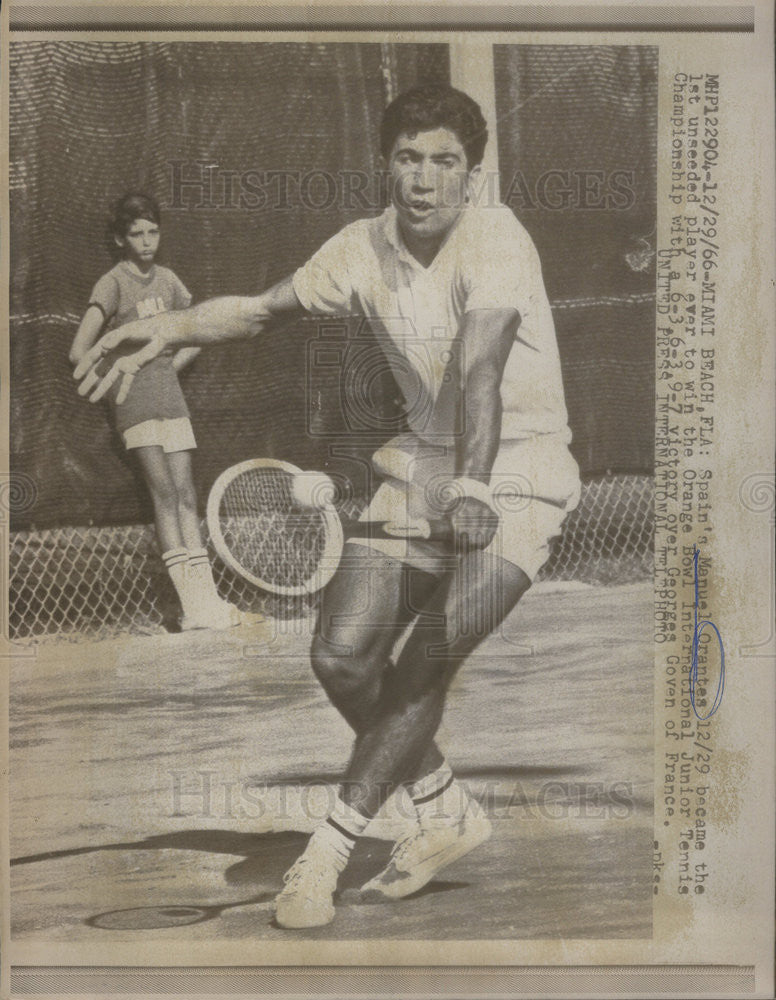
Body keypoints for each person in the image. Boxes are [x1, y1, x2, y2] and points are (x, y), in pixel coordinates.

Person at [74, 86, 581, 928]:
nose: (423, 179)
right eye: (408, 158)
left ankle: (328, 851)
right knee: (343, 655)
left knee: (430, 651)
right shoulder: (357, 250)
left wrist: (476, 489)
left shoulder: (497, 236)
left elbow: (482, 371)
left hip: (519, 472)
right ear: (386, 164)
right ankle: (444, 805)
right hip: (422, 464)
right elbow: (262, 311)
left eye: (444, 161)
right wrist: (171, 330)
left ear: (472, 174)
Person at [70, 193, 245, 631]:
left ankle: (208, 604)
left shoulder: (168, 280)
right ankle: (192, 609)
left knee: (187, 497)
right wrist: (117, 377)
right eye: (136, 233)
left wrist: (165, 363)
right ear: (119, 239)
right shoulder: (112, 283)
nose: (146, 241)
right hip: (135, 404)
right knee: (165, 496)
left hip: (171, 398)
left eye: (152, 231)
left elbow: (196, 332)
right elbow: (79, 352)